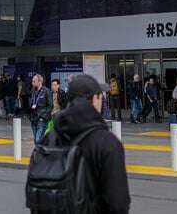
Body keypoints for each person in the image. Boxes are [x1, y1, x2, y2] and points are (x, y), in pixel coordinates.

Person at [39, 74, 131, 213]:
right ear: (95, 99)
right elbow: (118, 203)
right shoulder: (107, 143)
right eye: (100, 96)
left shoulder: (50, 137)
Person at [28, 74, 52, 144]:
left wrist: (43, 117)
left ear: (40, 82)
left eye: (34, 81)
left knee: (38, 139)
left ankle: (39, 153)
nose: (32, 83)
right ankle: (39, 153)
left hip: (41, 119)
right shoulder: (32, 91)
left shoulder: (46, 91)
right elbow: (31, 104)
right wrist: (30, 116)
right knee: (36, 140)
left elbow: (50, 106)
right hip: (33, 118)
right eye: (32, 81)